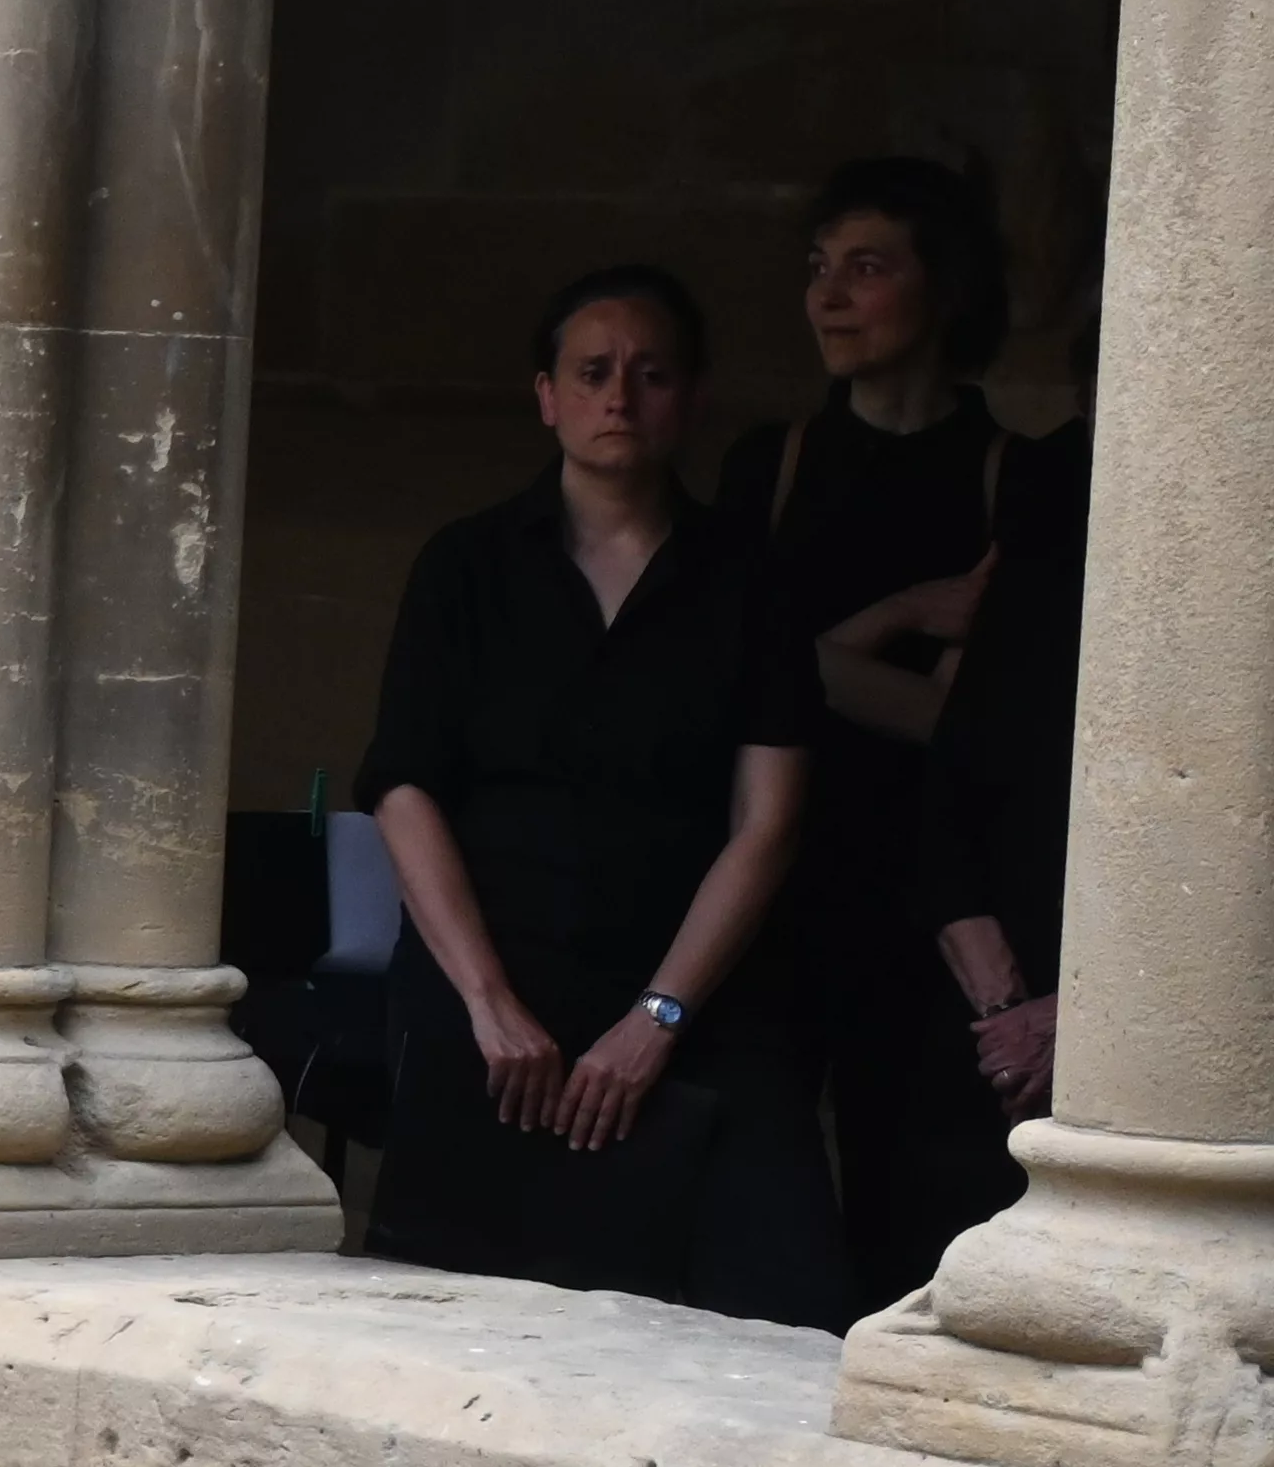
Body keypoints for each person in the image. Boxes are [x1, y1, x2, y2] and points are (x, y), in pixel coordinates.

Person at [357, 267, 846, 1323]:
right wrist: (489, 1006)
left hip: (702, 1000)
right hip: (498, 1011)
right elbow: (404, 785)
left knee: (781, 1314)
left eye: (651, 371)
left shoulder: (752, 577)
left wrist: (657, 1017)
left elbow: (768, 823)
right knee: (465, 1328)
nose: (620, 394)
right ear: (547, 395)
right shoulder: (467, 565)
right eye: (592, 371)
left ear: (691, 398)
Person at [719, 158, 1017, 1298]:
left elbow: (977, 721)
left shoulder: (1007, 476)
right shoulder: (775, 464)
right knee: (772, 1197)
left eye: (867, 267)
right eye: (817, 269)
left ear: (940, 288)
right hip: (779, 881)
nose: (829, 295)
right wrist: (899, 617)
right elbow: (735, 679)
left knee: (918, 1198)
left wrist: (820, 663)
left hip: (923, 892)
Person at [921, 417, 1094, 1144]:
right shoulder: (1044, 562)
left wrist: (1080, 1019)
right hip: (991, 1015)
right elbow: (945, 791)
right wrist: (1004, 1016)